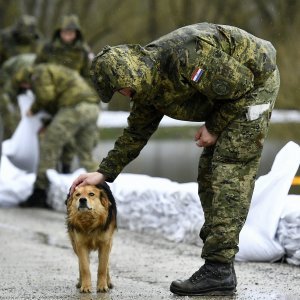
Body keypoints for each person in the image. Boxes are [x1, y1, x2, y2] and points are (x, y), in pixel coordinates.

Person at [70, 23, 280, 296]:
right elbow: (136, 133)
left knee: (229, 172)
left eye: (120, 88)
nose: (123, 95)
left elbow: (244, 85)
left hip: (255, 86)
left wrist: (214, 127)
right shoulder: (145, 85)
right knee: (208, 174)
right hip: (230, 96)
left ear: (129, 73)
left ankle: (218, 269)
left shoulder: (187, 56)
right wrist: (103, 173)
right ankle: (220, 266)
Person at [13, 63, 100, 208]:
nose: (27, 88)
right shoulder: (55, 69)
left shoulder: (38, 73)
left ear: (24, 78)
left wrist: (32, 110)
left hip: (75, 107)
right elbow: (56, 101)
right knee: (86, 154)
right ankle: (101, 190)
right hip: (92, 107)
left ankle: (40, 193)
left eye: (24, 85)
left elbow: (46, 97)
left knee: (49, 145)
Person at [35, 14, 93, 81]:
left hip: (74, 86)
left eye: (70, 33)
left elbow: (87, 75)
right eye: (65, 32)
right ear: (60, 32)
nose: (67, 36)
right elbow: (37, 68)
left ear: (76, 33)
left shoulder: (83, 51)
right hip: (50, 85)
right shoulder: (49, 48)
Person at [0, 53, 36, 140]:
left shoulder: (41, 70)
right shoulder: (21, 71)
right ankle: (9, 139)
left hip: (20, 72)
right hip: (8, 73)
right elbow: (10, 89)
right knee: (7, 104)